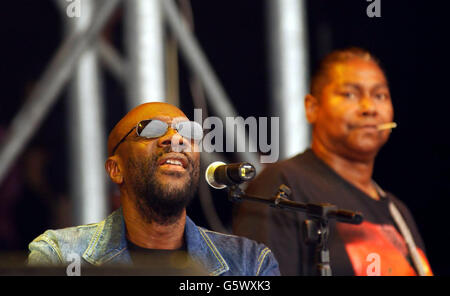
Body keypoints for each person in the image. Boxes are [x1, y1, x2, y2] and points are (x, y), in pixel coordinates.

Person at [233, 48, 433, 276]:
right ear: (312, 108)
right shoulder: (282, 185)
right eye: (350, 94)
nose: (369, 108)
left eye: (380, 96)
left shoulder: (398, 211)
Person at [28, 102, 280, 276]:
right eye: (150, 129)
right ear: (116, 169)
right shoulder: (59, 255)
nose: (176, 139)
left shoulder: (249, 263)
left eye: (188, 132)